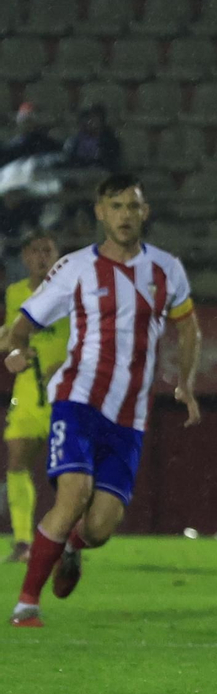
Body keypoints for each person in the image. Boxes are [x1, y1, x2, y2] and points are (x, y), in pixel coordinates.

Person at [7, 175, 203, 627]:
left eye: (132, 207)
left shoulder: (166, 270)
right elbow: (24, 324)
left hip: (130, 417)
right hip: (77, 399)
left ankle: (72, 547)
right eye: (116, 206)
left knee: (99, 529)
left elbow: (188, 326)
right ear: (100, 212)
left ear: (144, 213)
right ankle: (26, 604)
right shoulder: (75, 268)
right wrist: (17, 351)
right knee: (72, 495)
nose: (124, 215)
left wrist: (186, 382)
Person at [2, 231, 68, 565]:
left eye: (48, 250)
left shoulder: (72, 292)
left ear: (57, 255)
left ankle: (67, 541)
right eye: (35, 251)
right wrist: (13, 349)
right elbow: (9, 338)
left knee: (67, 471)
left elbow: (90, 337)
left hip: (67, 392)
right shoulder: (15, 293)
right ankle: (23, 541)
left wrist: (66, 363)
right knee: (16, 460)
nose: (42, 257)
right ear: (25, 257)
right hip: (27, 392)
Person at [59, 104, 122, 174]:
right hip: (79, 171)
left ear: (101, 121)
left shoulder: (110, 140)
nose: (90, 122)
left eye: (95, 119)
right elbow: (72, 159)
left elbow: (110, 162)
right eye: (89, 119)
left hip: (100, 172)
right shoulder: (77, 139)